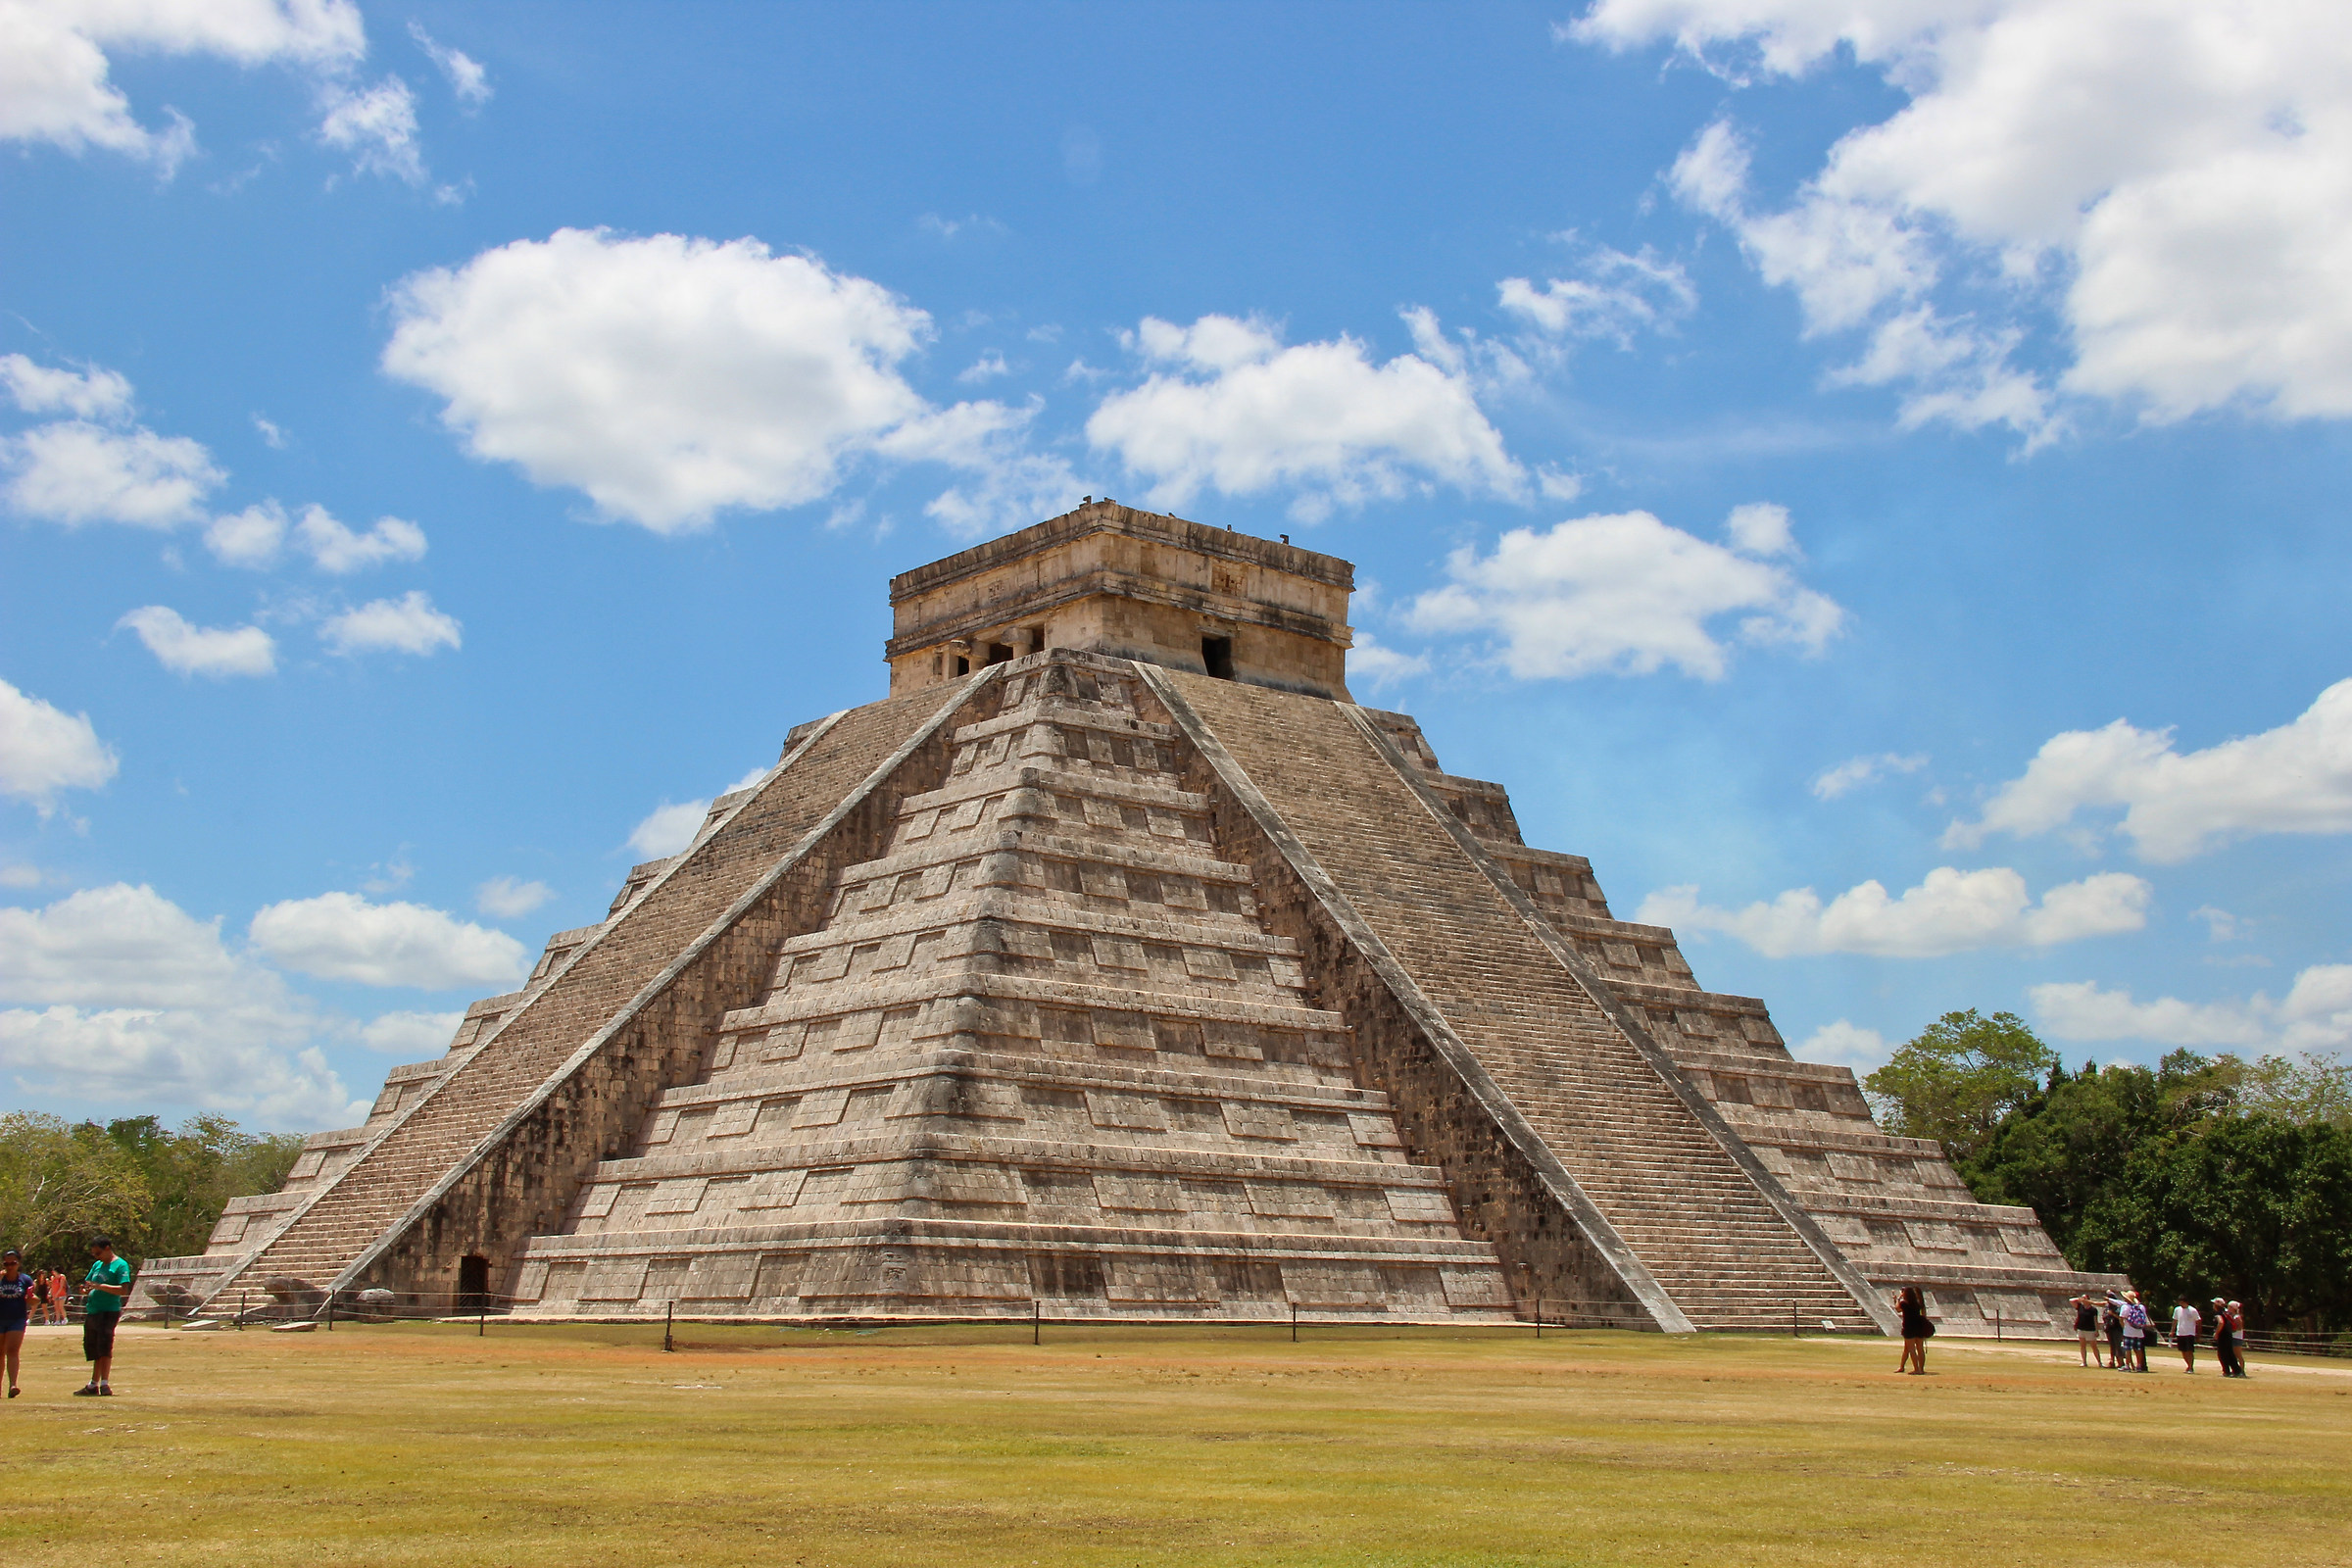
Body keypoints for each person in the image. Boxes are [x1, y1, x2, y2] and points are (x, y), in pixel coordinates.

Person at [74, 1237, 132, 1397]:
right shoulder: (97, 1265)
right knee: (94, 1348)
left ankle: (105, 1383)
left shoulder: (120, 1265)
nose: (96, 1256)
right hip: (93, 1310)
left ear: (107, 1248)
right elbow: (89, 1283)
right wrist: (86, 1290)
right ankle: (93, 1384)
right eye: (94, 1254)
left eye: (98, 1253)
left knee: (105, 1346)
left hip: (108, 1311)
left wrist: (100, 1287)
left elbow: (122, 1289)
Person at [0, 1249, 32, 1398]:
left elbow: (31, 1298)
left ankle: (13, 1384)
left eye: (13, 1263)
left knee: (12, 1350)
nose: (9, 1266)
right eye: (6, 1263)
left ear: (18, 1263)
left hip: (17, 1319)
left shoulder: (25, 1280)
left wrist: (35, 1300)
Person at [1895, 1285, 1933, 1373]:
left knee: (1911, 1349)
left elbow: (1897, 1309)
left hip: (1909, 1328)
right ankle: (1920, 1369)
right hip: (1918, 1327)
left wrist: (1898, 1299)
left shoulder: (1904, 1303)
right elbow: (1923, 1314)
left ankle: (1916, 1369)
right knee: (1919, 1348)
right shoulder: (1917, 1304)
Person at [2072, 1293, 2105, 1367]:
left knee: (2094, 1346)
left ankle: (2099, 1362)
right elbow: (2071, 1300)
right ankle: (2084, 1362)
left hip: (2090, 1329)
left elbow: (2095, 1321)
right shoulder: (2080, 1307)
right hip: (2081, 1328)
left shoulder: (2093, 1310)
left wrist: (2097, 1330)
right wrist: (2079, 1299)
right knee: (2082, 1346)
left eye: (2085, 1298)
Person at [2121, 1291, 2149, 1372]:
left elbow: (2121, 1318)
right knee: (2138, 1349)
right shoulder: (2141, 1307)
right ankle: (2139, 1365)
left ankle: (2127, 1365)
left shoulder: (2125, 1307)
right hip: (2139, 1331)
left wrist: (2124, 1327)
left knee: (2128, 1349)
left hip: (2128, 1331)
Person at [2173, 1297, 2202, 1372]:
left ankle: (2191, 1367)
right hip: (2180, 1332)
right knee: (2183, 1351)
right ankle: (2188, 1365)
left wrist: (2198, 1334)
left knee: (2189, 1351)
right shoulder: (2177, 1309)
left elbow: (2198, 1322)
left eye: (2182, 1302)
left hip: (2189, 1333)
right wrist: (2172, 1331)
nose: (2180, 1304)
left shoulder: (2193, 1310)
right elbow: (2175, 1320)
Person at [2102, 1294, 2126, 1370]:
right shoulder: (2107, 1307)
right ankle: (2112, 1361)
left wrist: (2112, 1314)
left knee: (2118, 1346)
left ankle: (2121, 1362)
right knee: (2112, 1346)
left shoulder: (2118, 1307)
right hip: (2109, 1328)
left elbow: (2120, 1318)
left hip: (2117, 1328)